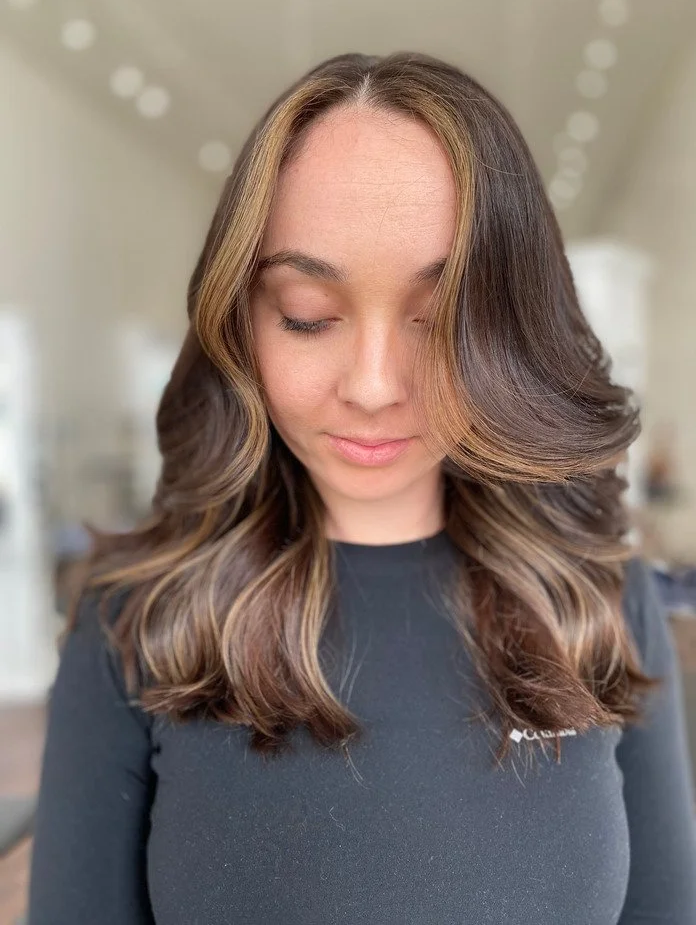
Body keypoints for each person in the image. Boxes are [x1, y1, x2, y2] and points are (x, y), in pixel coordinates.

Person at [27, 51, 696, 924]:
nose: (374, 386)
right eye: (308, 315)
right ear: (242, 320)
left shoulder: (601, 599)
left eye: (440, 321)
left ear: (509, 334)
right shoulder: (137, 621)